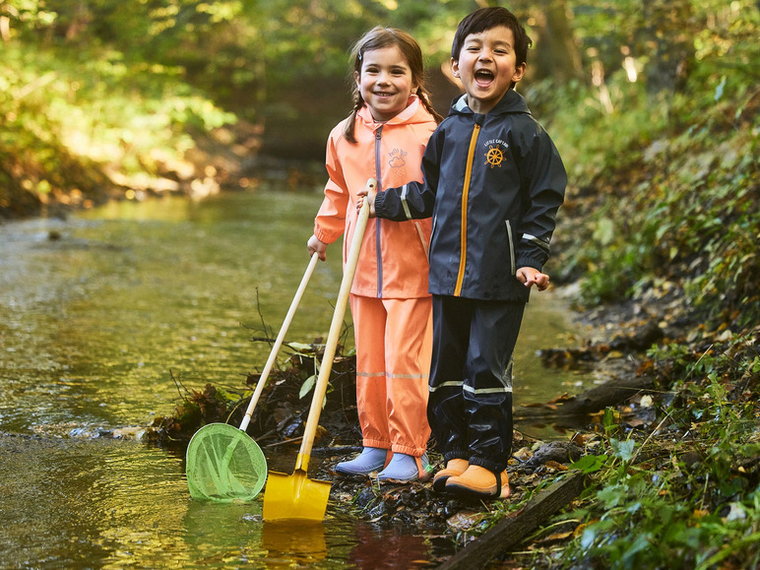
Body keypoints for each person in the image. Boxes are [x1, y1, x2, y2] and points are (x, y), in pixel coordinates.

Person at [359, 7, 566, 499]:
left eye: (499, 50)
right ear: (456, 66)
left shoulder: (525, 133)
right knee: (446, 370)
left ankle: (491, 468)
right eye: (474, 49)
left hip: (499, 278)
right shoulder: (447, 132)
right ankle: (455, 456)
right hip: (446, 274)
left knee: (485, 370)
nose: (485, 57)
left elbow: (546, 196)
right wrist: (382, 203)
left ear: (517, 70)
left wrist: (532, 257)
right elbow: (429, 194)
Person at [307, 26, 444, 482]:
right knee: (370, 362)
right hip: (361, 269)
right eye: (373, 71)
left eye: (396, 71)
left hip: (414, 268)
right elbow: (337, 191)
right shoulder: (345, 134)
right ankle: (375, 443)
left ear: (415, 79)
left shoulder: (431, 133)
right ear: (358, 77)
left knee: (405, 363)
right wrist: (323, 234)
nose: (383, 81)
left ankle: (410, 450)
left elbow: (442, 196)